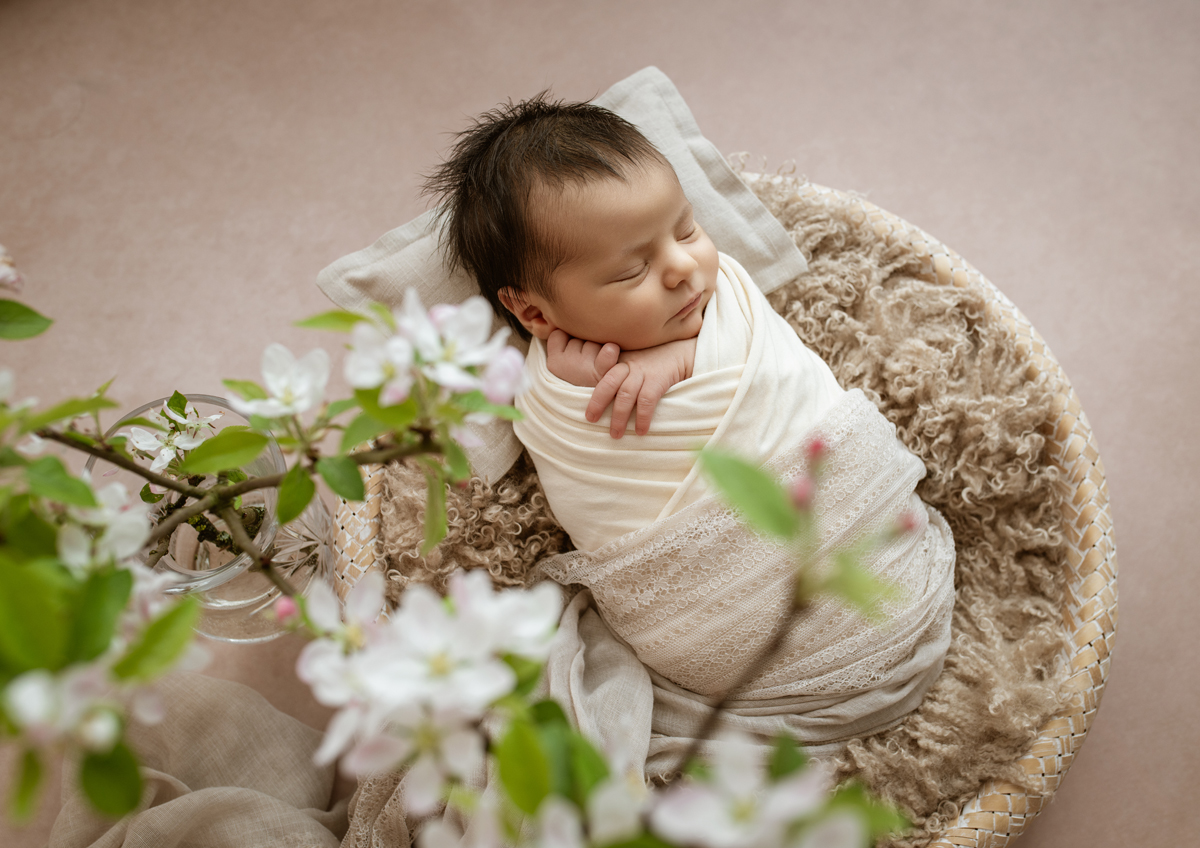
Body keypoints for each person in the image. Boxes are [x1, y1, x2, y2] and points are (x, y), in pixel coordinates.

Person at [425, 95, 956, 760]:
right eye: (630, 270)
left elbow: (755, 352)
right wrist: (565, 383)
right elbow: (561, 445)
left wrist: (680, 358)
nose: (683, 268)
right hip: (710, 605)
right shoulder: (541, 386)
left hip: (855, 529)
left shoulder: (720, 299)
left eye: (684, 229)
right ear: (533, 313)